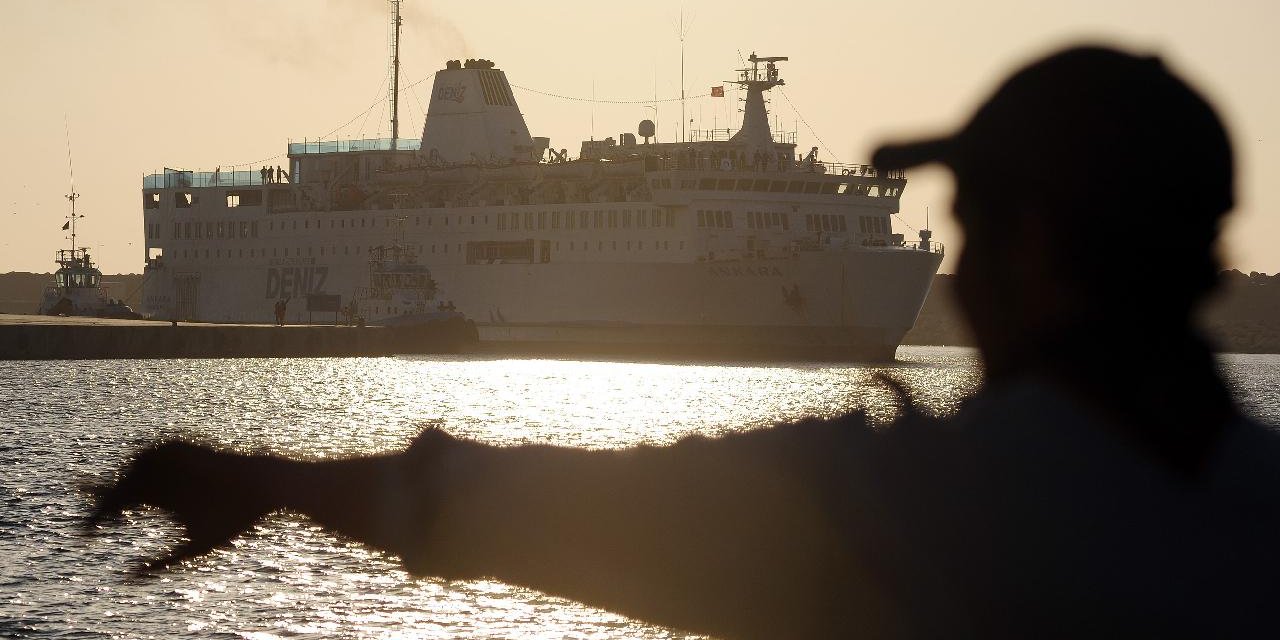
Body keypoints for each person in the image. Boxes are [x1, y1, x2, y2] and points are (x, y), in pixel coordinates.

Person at [84, 46, 1280, 638]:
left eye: (968, 224)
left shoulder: (940, 502)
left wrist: (271, 479)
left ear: (1032, 247)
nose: (949, 265)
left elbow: (592, 509)